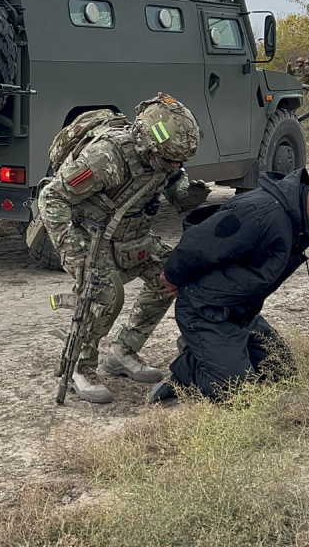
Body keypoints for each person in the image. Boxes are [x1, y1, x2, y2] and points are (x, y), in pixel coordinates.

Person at [38, 94, 211, 403]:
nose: (175, 165)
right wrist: (73, 251)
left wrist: (188, 193)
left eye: (179, 161)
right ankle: (80, 366)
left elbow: (172, 186)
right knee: (105, 294)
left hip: (132, 235)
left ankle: (123, 350)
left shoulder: (165, 157)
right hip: (92, 237)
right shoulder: (106, 158)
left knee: (171, 273)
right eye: (170, 160)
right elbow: (52, 198)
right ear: (148, 144)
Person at [150, 170, 309, 402]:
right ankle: (187, 373)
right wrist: (175, 277)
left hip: (241, 311)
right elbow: (199, 244)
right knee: (237, 392)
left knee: (281, 372)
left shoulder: (297, 221)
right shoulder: (261, 212)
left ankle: (206, 353)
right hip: (206, 310)